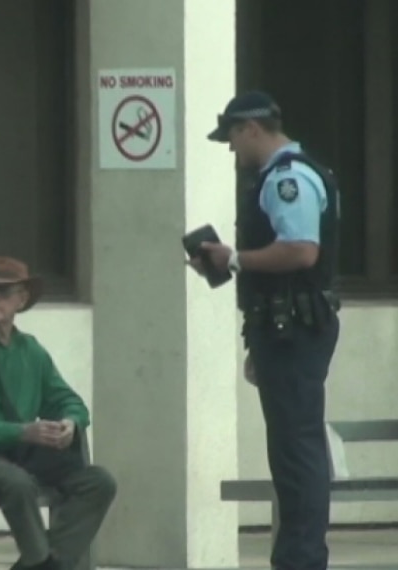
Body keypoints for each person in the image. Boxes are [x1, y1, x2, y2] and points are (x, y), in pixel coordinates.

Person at [191, 91, 341, 570]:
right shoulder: (301, 171)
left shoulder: (287, 179)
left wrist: (232, 258)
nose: (233, 151)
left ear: (250, 128)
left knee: (296, 450)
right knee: (293, 447)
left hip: (293, 328)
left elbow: (301, 251)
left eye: (232, 139)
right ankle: (298, 555)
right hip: (285, 329)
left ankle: (301, 559)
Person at [0, 256, 117, 570]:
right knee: (16, 482)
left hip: (20, 456)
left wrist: (70, 422)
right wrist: (22, 432)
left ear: (22, 299)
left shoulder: (31, 350)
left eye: (3, 291)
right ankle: (42, 563)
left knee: (98, 481)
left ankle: (42, 564)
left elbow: (69, 401)